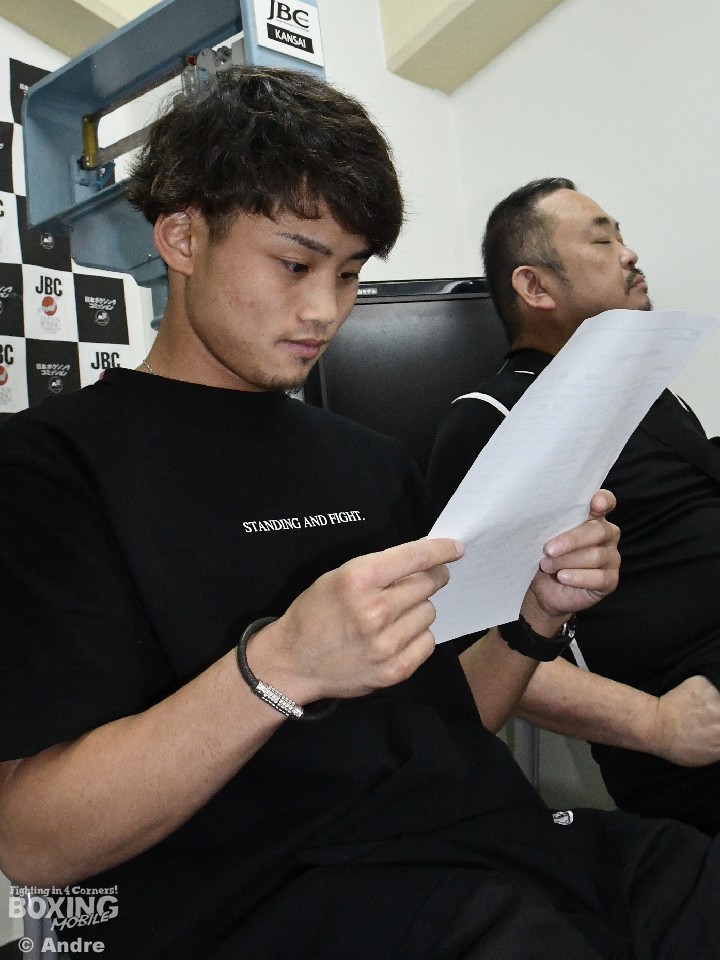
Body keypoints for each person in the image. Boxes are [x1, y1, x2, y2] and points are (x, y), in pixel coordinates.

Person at [0, 71, 706, 960]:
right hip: (281, 900)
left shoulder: (371, 462)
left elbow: (444, 727)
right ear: (182, 236)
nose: (324, 310)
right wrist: (281, 665)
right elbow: (34, 841)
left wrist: (533, 621)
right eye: (295, 265)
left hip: (507, 851)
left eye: (349, 272)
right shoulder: (50, 470)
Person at [427, 177, 720, 836]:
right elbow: (473, 649)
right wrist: (659, 723)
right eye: (602, 241)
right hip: (694, 740)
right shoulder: (492, 419)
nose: (629, 254)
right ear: (535, 287)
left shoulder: (649, 395)